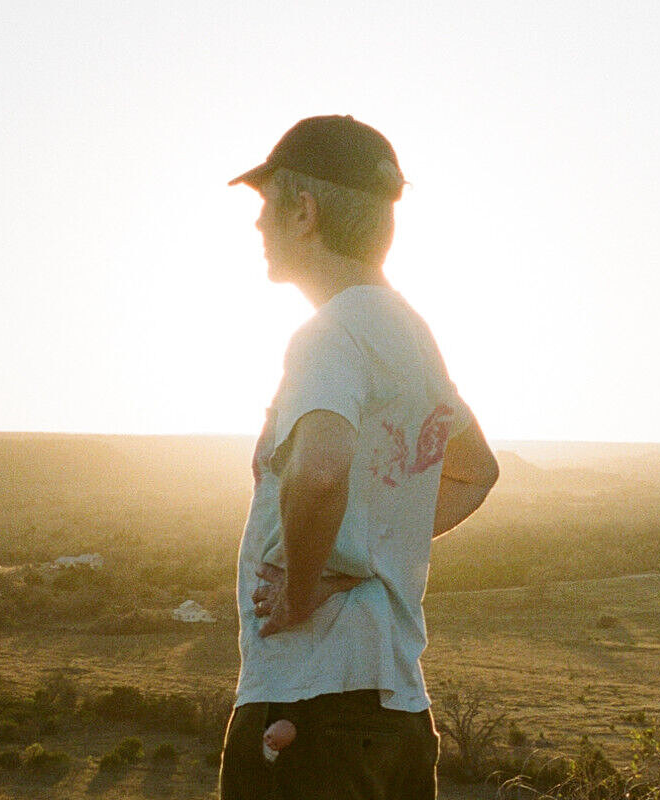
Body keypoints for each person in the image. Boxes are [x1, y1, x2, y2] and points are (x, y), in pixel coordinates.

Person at [221, 115, 499, 800]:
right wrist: (367, 554)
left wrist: (302, 585)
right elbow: (478, 471)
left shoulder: (327, 335)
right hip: (398, 714)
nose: (258, 227)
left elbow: (320, 471)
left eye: (266, 207)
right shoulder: (408, 333)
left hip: (308, 710)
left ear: (304, 211)